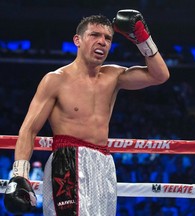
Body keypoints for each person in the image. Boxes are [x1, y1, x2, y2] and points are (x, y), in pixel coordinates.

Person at [4, 9, 170, 216]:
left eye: (108, 38)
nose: (102, 42)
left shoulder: (113, 76)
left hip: (103, 162)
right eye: (94, 35)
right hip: (68, 160)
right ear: (78, 40)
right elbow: (28, 130)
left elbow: (160, 75)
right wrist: (20, 175)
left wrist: (142, 39)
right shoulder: (55, 80)